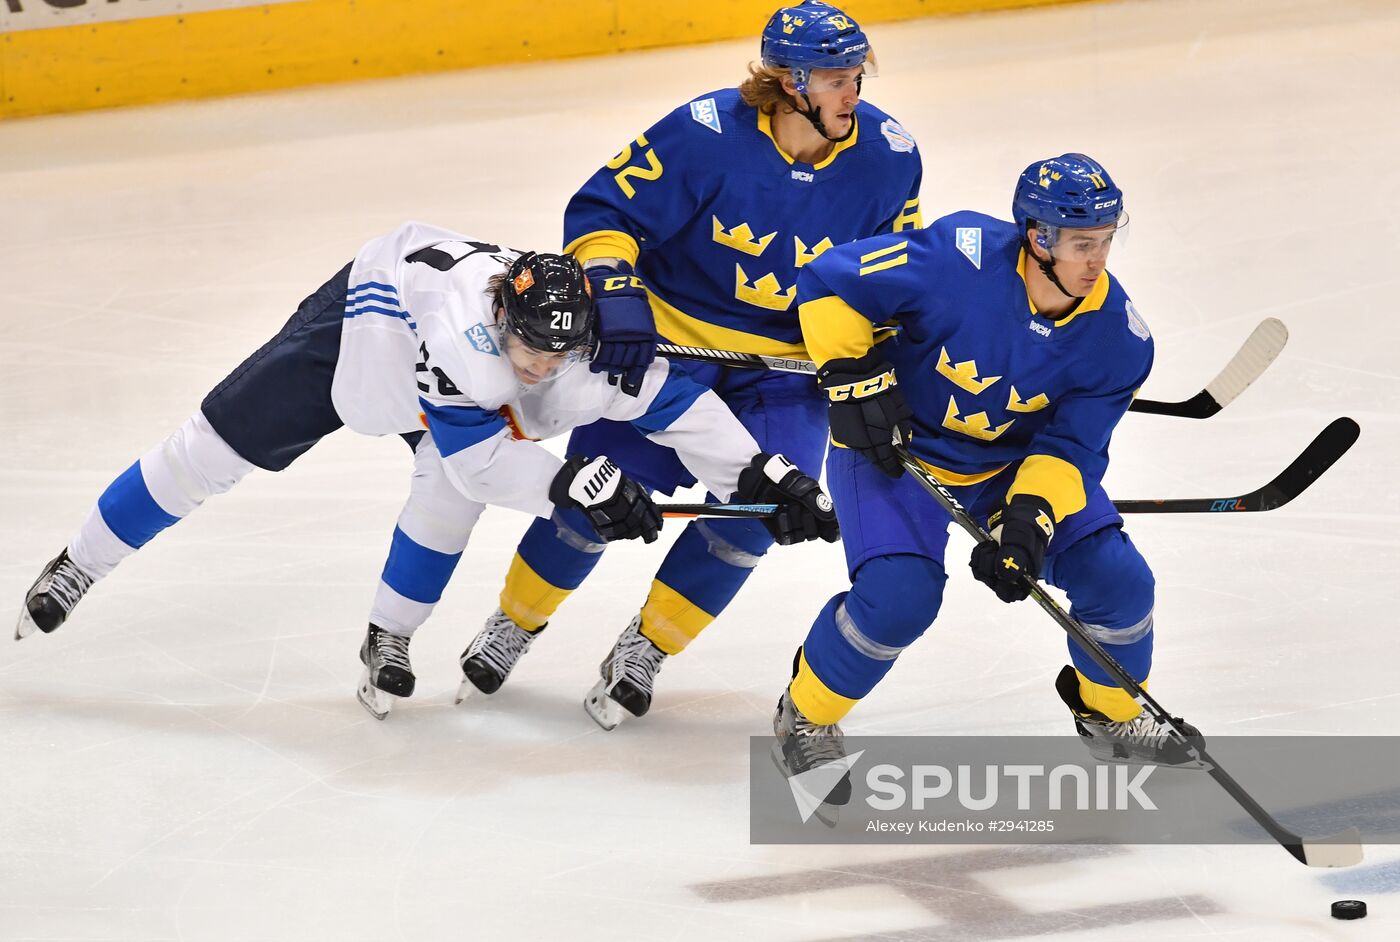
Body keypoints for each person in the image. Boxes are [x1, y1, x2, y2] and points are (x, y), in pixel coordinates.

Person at [14, 224, 838, 720]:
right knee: (207, 455)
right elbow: (484, 460)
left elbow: (677, 407)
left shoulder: (567, 346)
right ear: (497, 317)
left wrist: (764, 476)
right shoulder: (470, 343)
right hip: (360, 339)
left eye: (560, 352)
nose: (545, 368)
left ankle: (390, 635)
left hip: (452, 383)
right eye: (530, 348)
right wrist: (566, 487)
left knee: (440, 494)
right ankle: (79, 563)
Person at [453, 1, 923, 730]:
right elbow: (604, 211)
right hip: (668, 355)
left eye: (855, 74)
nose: (851, 92)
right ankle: (517, 619)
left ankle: (646, 647)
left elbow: (892, 278)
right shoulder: (705, 135)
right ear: (789, 83)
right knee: (598, 496)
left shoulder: (891, 158)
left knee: (758, 513)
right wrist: (616, 291)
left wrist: (881, 364)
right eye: (834, 78)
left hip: (786, 372)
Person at [773, 154, 1206, 798]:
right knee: (900, 598)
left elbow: (1073, 447)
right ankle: (806, 712)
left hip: (1008, 467)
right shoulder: (959, 256)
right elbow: (830, 280)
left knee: (1119, 582)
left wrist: (1026, 518)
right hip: (896, 450)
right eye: (1083, 243)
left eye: (1106, 242)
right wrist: (851, 372)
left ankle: (1109, 711)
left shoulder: (1119, 338)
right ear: (1037, 237)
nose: (1097, 260)